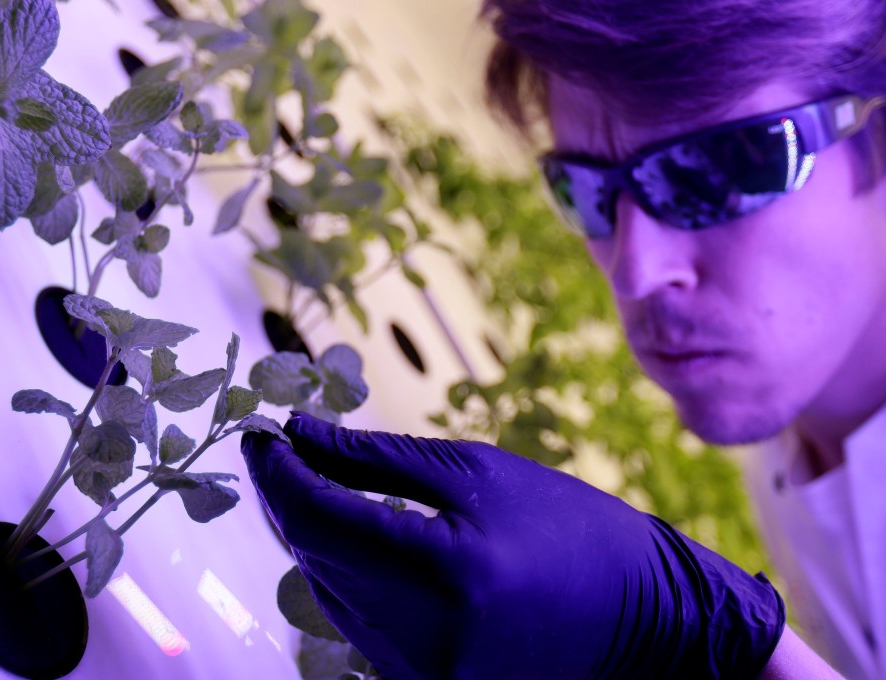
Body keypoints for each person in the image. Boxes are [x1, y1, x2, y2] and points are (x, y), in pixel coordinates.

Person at [242, 0, 886, 677]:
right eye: (584, 190)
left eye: (718, 170)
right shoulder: (799, 441)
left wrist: (714, 641)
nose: (636, 269)